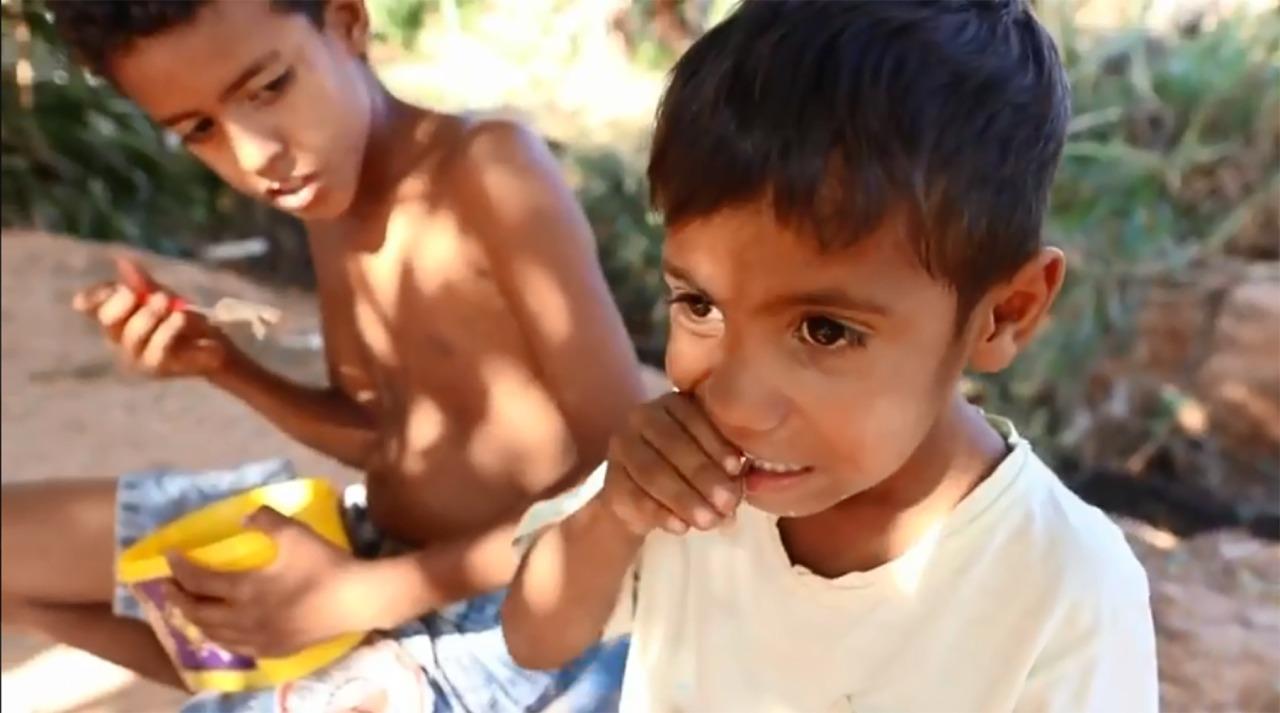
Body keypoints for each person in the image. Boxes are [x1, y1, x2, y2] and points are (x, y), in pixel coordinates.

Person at [501, 1, 1160, 711]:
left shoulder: (1063, 585)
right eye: (700, 305)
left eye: (824, 330)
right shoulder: (683, 471)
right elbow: (536, 639)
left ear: (1004, 312)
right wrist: (614, 514)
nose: (736, 403)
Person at [0, 0, 643, 710]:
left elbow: (631, 484)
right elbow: (383, 434)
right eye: (200, 129)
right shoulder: (328, 191)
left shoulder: (488, 170)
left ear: (347, 21)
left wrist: (364, 595)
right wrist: (227, 368)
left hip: (509, 612)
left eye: (268, 87)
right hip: (366, 548)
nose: (254, 156)